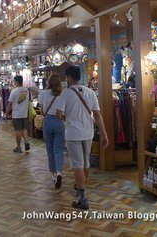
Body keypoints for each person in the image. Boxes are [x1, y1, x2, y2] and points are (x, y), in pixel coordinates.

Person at [61, 65, 109, 210]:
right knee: (85, 163)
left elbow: (59, 114)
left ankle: (82, 198)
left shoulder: (66, 93)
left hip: (73, 133)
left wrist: (66, 117)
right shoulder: (90, 92)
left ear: (69, 77)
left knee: (77, 164)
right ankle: (80, 186)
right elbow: (97, 115)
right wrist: (104, 133)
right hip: (88, 133)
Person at [39, 74, 66, 188]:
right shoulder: (63, 94)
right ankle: (59, 172)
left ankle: (54, 174)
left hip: (48, 121)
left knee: (50, 150)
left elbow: (42, 111)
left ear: (48, 82)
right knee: (59, 150)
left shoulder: (43, 93)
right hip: (59, 122)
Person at [6, 75, 31, 153]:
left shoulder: (14, 91)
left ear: (16, 82)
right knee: (24, 129)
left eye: (14, 81)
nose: (13, 83)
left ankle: (18, 147)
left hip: (17, 114)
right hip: (25, 113)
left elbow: (10, 104)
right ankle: (26, 142)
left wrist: (7, 113)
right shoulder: (27, 90)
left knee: (17, 130)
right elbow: (30, 100)